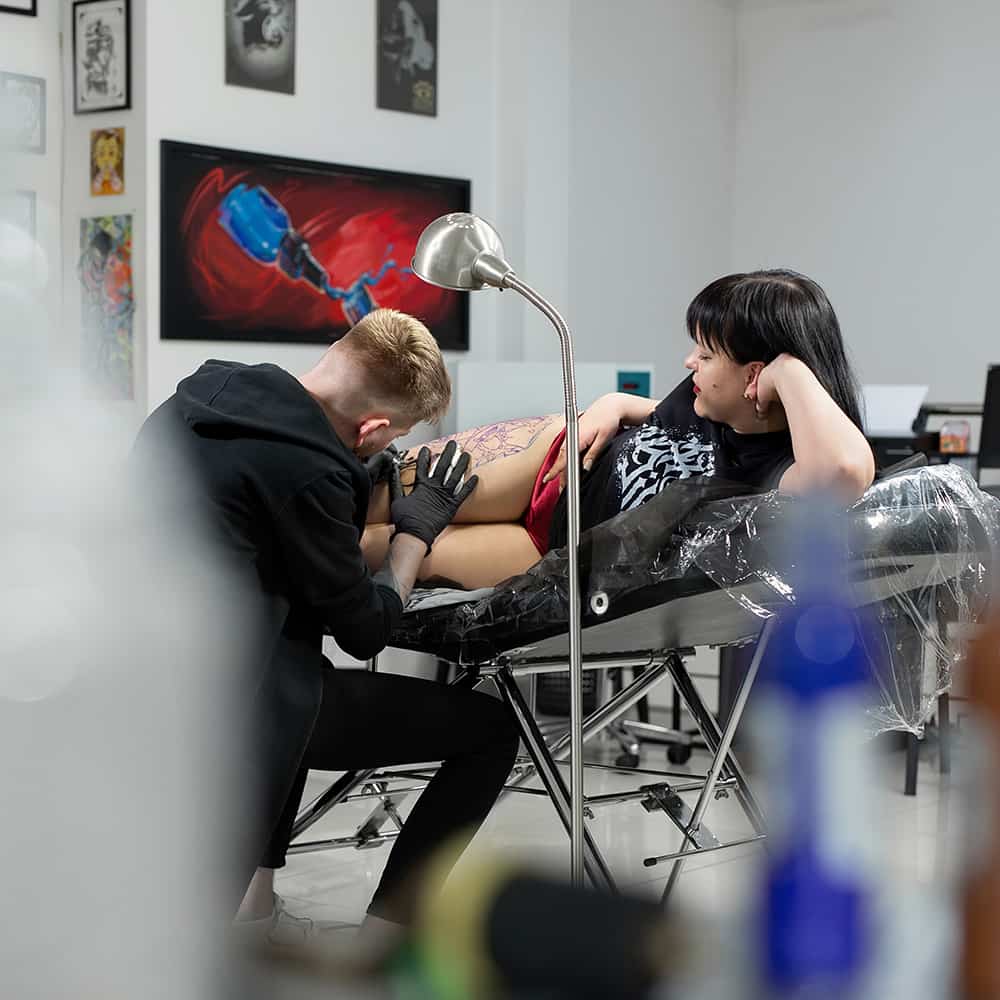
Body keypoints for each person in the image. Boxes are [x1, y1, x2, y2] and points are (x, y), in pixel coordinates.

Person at [130, 308, 519, 940]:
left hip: (151, 681)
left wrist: (353, 481)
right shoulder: (312, 474)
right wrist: (413, 536)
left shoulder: (199, 399)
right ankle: (386, 936)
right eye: (394, 437)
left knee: (295, 663)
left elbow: (257, 527)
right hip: (239, 709)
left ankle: (253, 910)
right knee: (492, 730)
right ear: (373, 428)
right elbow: (364, 631)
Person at [361, 270, 876, 590]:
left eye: (705, 354)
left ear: (754, 374)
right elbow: (654, 415)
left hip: (555, 552)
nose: (689, 362)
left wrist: (790, 371)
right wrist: (612, 404)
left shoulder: (779, 468)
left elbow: (846, 472)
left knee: (360, 547)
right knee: (365, 492)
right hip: (547, 463)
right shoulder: (714, 402)